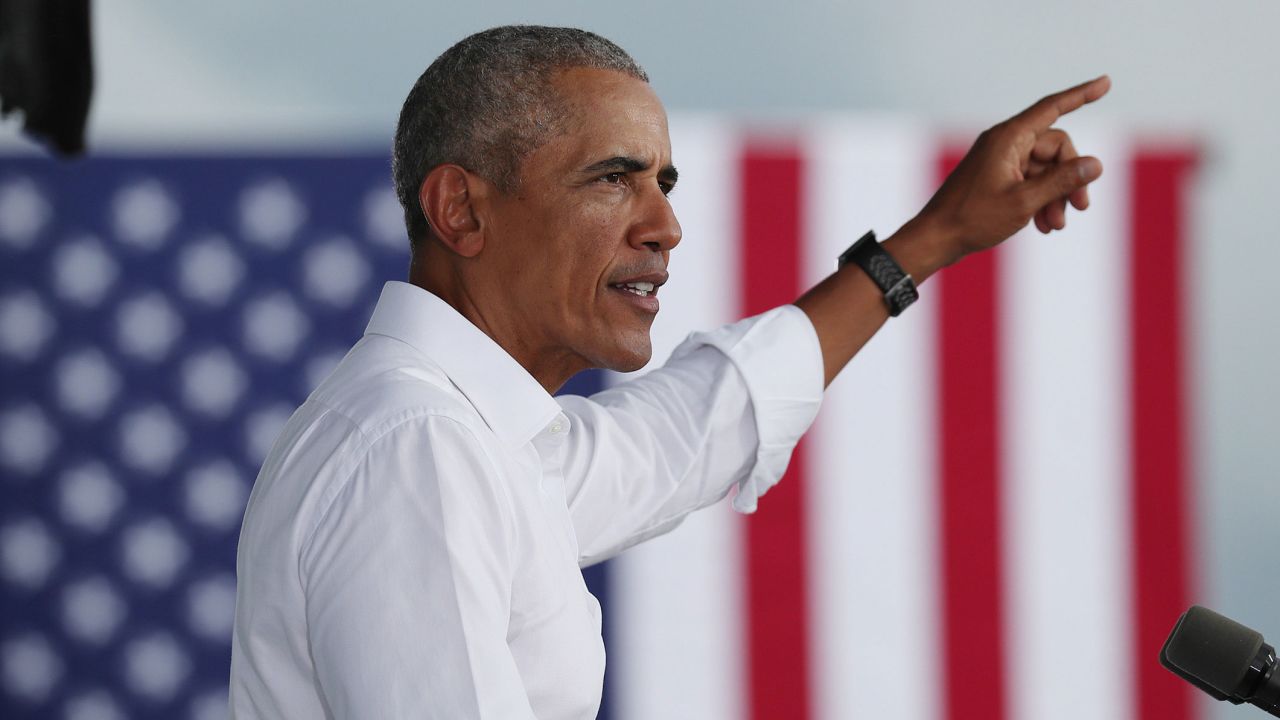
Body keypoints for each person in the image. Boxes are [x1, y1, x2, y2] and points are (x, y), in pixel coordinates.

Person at [229, 25, 1109, 719]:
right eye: (614, 179)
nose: (666, 226)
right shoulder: (417, 450)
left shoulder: (467, 437)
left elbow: (695, 425)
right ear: (462, 208)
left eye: (665, 182)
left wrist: (934, 239)